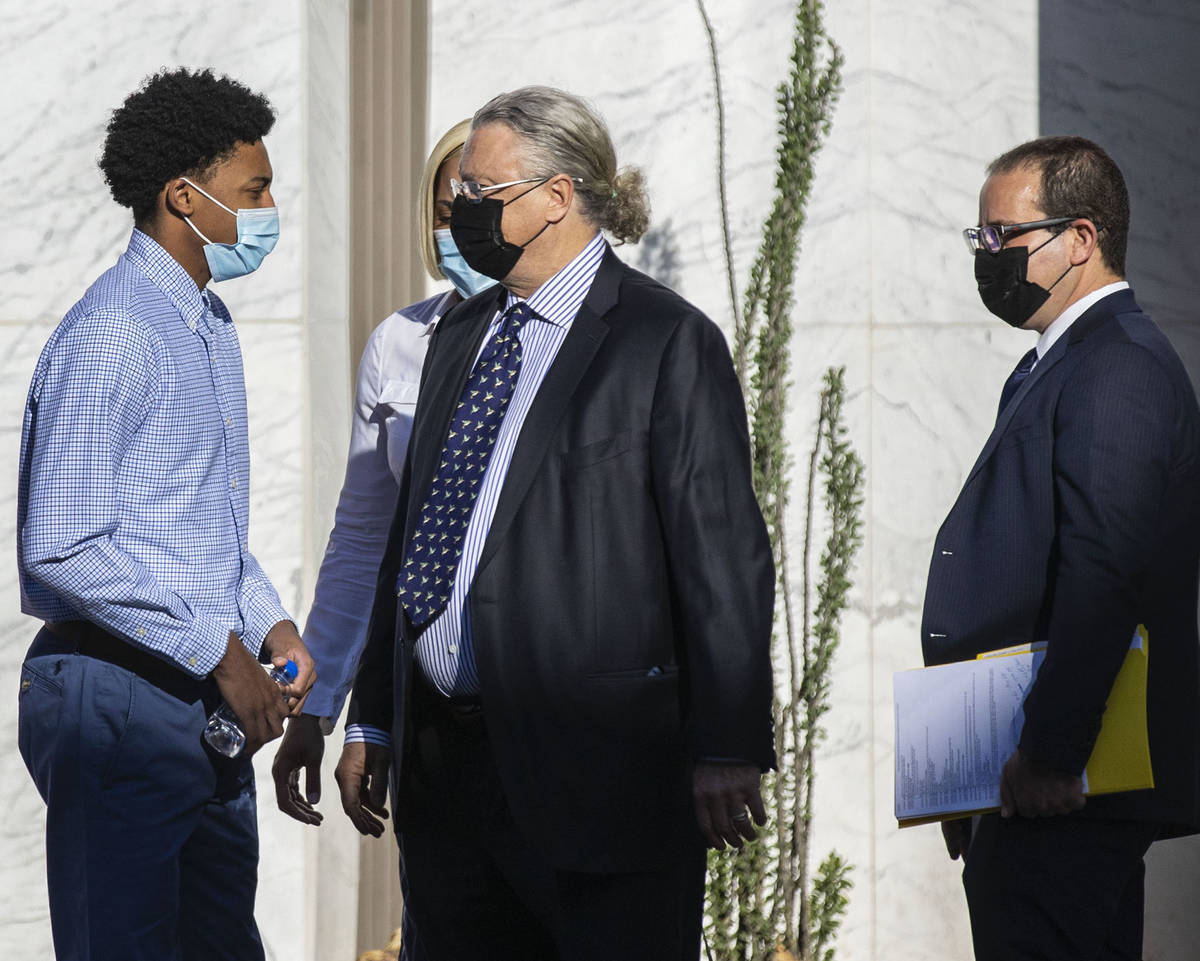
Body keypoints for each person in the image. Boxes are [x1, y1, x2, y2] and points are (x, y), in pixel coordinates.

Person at [332, 86, 776, 961]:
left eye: (482, 195)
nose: (460, 212)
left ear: (558, 197)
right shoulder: (460, 334)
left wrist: (729, 742)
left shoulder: (663, 340)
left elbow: (721, 557)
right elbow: (414, 539)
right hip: (447, 778)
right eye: (459, 193)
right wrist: (373, 718)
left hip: (598, 781)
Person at [16, 68, 316, 961]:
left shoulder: (208, 324)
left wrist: (272, 625)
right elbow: (61, 546)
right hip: (116, 701)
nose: (269, 209)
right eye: (253, 191)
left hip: (197, 701)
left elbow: (198, 531)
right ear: (185, 197)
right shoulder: (115, 332)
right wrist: (220, 651)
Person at [922, 135, 1200, 960]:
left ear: (1081, 239)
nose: (989, 256)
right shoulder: (1067, 362)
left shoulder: (1115, 365)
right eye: (981, 240)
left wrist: (1049, 754)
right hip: (1024, 779)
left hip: (1062, 789)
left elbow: (1102, 573)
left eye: (1005, 237)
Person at [271, 119, 493, 822]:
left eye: (479, 202)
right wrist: (324, 702)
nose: (460, 224)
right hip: (424, 696)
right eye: (445, 209)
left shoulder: (578, 340)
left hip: (550, 701)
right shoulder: (400, 343)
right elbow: (364, 539)